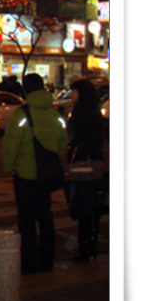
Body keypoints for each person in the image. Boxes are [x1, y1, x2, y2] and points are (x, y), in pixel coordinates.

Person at [2, 73, 68, 274]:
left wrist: (9, 167)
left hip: (25, 175)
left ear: (25, 90)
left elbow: (11, 145)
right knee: (45, 217)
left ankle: (29, 262)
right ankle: (47, 260)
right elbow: (62, 143)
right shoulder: (55, 115)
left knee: (26, 220)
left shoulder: (21, 115)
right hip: (46, 176)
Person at [65, 78, 106, 261]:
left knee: (82, 206)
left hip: (84, 164)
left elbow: (75, 137)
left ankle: (85, 247)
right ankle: (91, 244)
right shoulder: (95, 113)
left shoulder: (80, 113)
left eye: (74, 92)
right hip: (95, 163)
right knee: (91, 206)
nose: (71, 96)